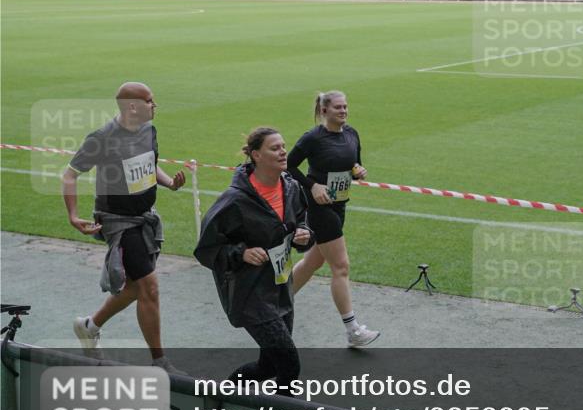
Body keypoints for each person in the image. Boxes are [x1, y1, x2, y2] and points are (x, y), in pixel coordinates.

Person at [62, 82, 186, 372]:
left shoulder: (149, 131)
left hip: (144, 217)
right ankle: (160, 363)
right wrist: (73, 215)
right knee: (149, 287)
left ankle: (89, 326)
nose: (154, 105)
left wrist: (170, 183)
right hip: (118, 222)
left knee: (133, 287)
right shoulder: (102, 138)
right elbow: (70, 175)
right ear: (132, 106)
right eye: (150, 100)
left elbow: (150, 165)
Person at [194, 127, 312, 390]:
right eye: (275, 148)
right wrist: (241, 253)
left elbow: (300, 221)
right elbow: (206, 249)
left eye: (283, 146)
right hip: (251, 293)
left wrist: (304, 235)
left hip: (281, 288)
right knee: (289, 365)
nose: (283, 152)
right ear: (256, 155)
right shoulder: (235, 200)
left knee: (268, 366)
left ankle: (221, 400)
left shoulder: (291, 188)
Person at [286, 90, 380, 348]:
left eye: (345, 106)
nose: (343, 111)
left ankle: (275, 303)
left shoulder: (352, 134)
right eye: (338, 107)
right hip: (319, 208)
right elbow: (289, 166)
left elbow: (354, 164)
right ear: (324, 110)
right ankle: (353, 330)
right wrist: (313, 186)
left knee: (312, 262)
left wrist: (358, 171)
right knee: (341, 266)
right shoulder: (313, 138)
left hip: (339, 205)